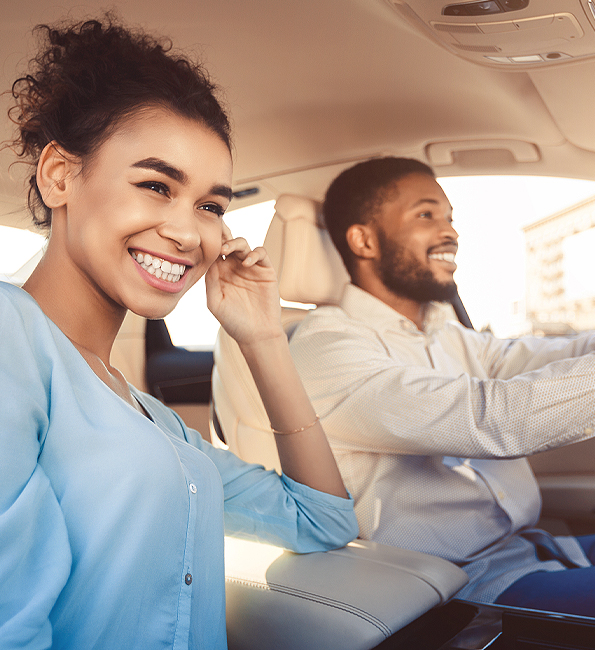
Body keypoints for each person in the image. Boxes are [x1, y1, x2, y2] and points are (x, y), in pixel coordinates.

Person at [0, 16, 358, 649]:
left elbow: (322, 520)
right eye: (155, 186)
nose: (190, 234)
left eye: (211, 206)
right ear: (59, 176)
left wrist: (263, 337)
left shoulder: (154, 422)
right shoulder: (10, 337)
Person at [288, 156, 595, 621]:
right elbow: (492, 419)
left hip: (531, 548)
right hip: (463, 590)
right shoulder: (327, 347)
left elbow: (560, 352)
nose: (451, 232)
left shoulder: (445, 331)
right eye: (426, 215)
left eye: (450, 218)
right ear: (364, 240)